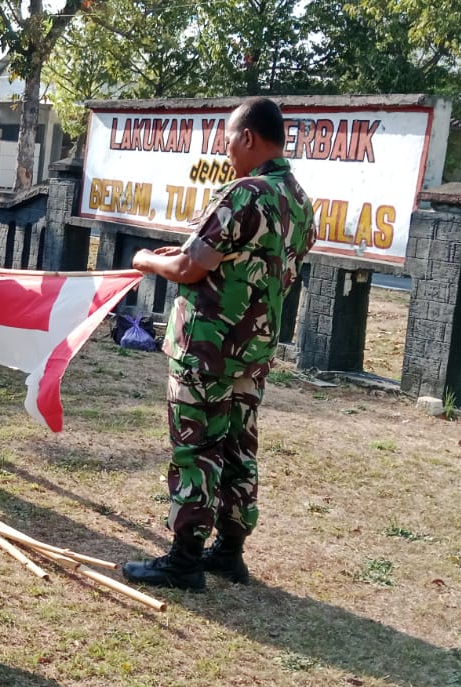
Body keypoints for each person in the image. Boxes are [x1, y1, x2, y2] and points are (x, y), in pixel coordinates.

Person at [123, 98, 316, 591]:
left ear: (248, 137)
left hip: (208, 349)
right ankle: (230, 552)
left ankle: (184, 560)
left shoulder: (245, 193)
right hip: (252, 353)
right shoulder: (298, 200)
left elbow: (191, 269)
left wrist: (147, 260)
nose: (226, 149)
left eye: (229, 138)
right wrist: (184, 254)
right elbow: (235, 258)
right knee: (237, 447)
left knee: (196, 448)